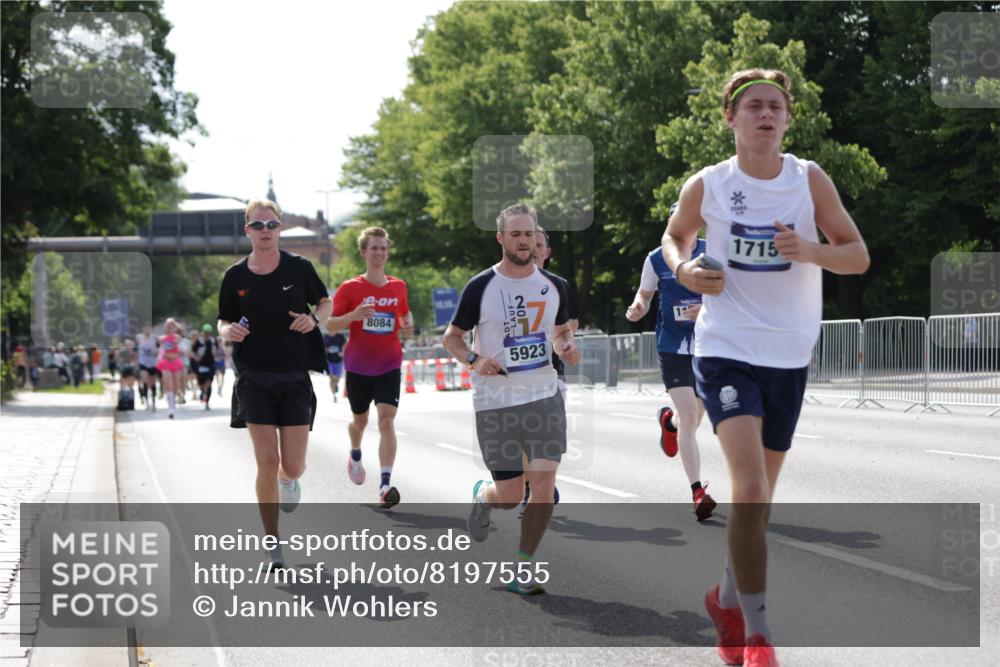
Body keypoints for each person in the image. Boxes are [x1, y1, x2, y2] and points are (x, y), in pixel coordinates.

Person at [663, 69, 869, 667]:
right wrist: (683, 272)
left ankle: (725, 599)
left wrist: (811, 251)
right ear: (731, 118)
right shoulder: (710, 184)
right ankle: (757, 635)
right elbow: (675, 237)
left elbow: (856, 256)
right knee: (748, 489)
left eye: (775, 107)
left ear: (787, 118)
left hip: (789, 357)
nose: (765, 115)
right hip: (725, 347)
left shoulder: (809, 180)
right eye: (753, 106)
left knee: (760, 502)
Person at [443, 203, 580, 595]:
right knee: (509, 495)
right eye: (516, 234)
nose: (524, 241)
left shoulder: (554, 286)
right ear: (501, 238)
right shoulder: (481, 286)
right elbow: (452, 337)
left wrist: (566, 346)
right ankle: (484, 497)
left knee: (543, 483)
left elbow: (560, 332)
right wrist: (473, 358)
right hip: (495, 402)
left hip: (543, 395)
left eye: (529, 233)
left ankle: (523, 567)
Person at [218, 198, 331, 569]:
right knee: (266, 460)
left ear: (280, 228)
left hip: (295, 376)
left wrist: (314, 320)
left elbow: (325, 303)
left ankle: (288, 481)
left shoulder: (300, 268)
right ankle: (272, 542)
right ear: (246, 230)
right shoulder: (235, 276)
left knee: (292, 466)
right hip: (253, 377)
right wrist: (227, 331)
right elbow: (223, 321)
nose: (265, 231)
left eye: (271, 225)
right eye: (257, 225)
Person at [626, 204, 716, 522]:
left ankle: (670, 424)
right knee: (691, 416)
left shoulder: (713, 252)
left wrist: (705, 309)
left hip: (709, 346)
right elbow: (644, 294)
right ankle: (697, 492)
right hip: (673, 347)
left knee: (693, 417)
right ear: (671, 223)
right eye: (679, 219)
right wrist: (638, 307)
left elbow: (731, 295)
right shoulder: (655, 258)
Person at [329, 227, 413, 509]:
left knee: (387, 421)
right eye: (373, 248)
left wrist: (408, 323)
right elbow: (330, 324)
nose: (379, 252)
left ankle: (385, 484)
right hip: (359, 366)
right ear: (364, 253)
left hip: (389, 363)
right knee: (360, 421)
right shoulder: (351, 288)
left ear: (387, 252)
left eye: (383, 248)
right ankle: (355, 453)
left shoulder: (398, 286)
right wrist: (354, 315)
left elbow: (404, 312)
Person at [156, 318, 186, 419]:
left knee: (176, 384)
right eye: (167, 326)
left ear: (174, 327)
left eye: (171, 326)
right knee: (168, 383)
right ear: (165, 327)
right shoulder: (161, 339)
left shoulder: (177, 337)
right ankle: (171, 408)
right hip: (165, 362)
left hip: (175, 362)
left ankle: (173, 400)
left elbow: (182, 349)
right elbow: (161, 350)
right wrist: (159, 357)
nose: (169, 328)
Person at [192, 324, 218, 410]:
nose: (207, 334)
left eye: (208, 332)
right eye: (205, 332)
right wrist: (196, 358)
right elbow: (193, 351)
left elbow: (217, 350)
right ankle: (203, 391)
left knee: (209, 383)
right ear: (203, 332)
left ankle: (207, 402)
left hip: (211, 365)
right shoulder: (199, 341)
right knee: (201, 383)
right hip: (201, 365)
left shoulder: (213, 341)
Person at [137, 324, 160, 411]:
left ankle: (153, 402)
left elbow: (160, 347)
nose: (147, 330)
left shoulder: (155, 338)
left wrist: (158, 352)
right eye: (145, 328)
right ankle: (147, 402)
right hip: (142, 363)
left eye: (149, 328)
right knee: (145, 381)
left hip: (153, 363)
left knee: (152, 383)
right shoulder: (139, 338)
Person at [322, 326, 347, 402]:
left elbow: (345, 345)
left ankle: (335, 385)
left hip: (338, 361)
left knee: (336, 379)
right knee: (331, 378)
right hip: (329, 361)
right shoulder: (325, 337)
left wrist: (342, 352)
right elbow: (323, 347)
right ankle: (334, 396)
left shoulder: (340, 336)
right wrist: (325, 351)